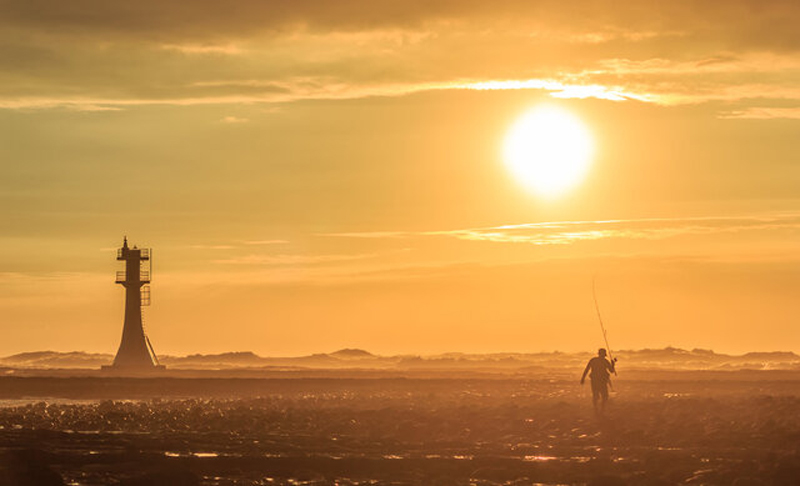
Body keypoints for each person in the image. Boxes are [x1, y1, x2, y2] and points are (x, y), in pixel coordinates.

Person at [580, 348, 617, 416]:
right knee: (603, 396)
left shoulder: (593, 360)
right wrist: (613, 364)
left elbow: (587, 369)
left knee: (597, 395)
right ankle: (600, 410)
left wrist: (583, 378)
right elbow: (611, 371)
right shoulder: (605, 361)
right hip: (602, 380)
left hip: (595, 380)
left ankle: (597, 410)